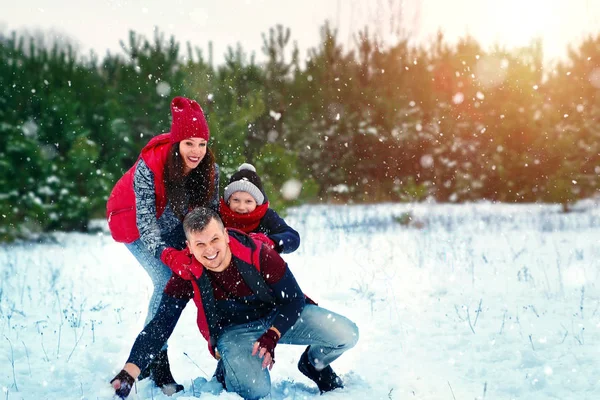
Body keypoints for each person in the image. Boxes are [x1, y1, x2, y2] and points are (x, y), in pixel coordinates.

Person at [110, 207, 359, 400]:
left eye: (214, 240)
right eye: (200, 244)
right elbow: (161, 324)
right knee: (255, 391)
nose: (209, 251)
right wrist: (130, 371)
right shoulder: (187, 272)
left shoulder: (258, 253)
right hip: (236, 332)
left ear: (226, 235)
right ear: (189, 246)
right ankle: (228, 368)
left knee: (346, 334)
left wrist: (273, 334)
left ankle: (313, 364)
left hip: (279, 316)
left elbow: (293, 300)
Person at [106, 96, 219, 394]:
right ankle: (155, 362)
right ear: (177, 143)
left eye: (202, 144)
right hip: (132, 223)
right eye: (189, 143)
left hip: (172, 223)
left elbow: (211, 215)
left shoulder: (209, 170)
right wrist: (169, 255)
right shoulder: (150, 166)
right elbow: (146, 227)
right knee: (166, 279)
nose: (196, 151)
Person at [220, 162, 300, 254]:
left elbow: (293, 237)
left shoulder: (267, 217)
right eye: (236, 200)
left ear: (257, 203)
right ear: (228, 200)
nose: (241, 207)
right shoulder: (218, 215)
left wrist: (272, 242)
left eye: (248, 201)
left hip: (259, 266)